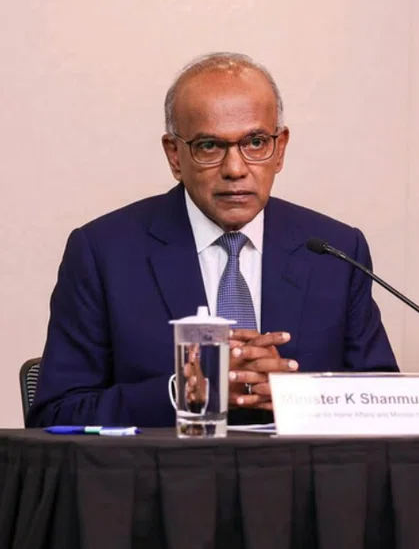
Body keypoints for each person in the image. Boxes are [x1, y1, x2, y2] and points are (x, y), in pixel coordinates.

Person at [27, 52, 398, 428]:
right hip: (164, 467)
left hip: (297, 467)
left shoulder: (335, 251)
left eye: (256, 142)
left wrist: (297, 397)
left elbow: (387, 406)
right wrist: (186, 390)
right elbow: (55, 415)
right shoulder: (103, 253)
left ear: (280, 149)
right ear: (175, 155)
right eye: (209, 146)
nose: (235, 169)